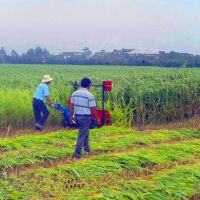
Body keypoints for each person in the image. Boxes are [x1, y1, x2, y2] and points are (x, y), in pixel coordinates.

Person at [70, 78, 101, 159]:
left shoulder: (74, 93)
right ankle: (78, 155)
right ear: (89, 85)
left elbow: (71, 106)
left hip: (76, 116)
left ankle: (87, 150)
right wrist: (97, 119)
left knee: (85, 133)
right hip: (85, 117)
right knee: (82, 135)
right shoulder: (89, 95)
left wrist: (71, 117)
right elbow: (93, 109)